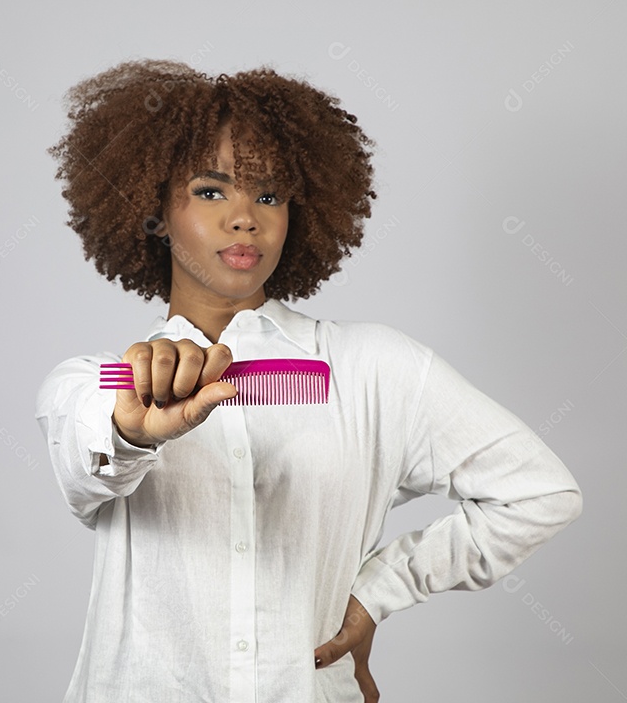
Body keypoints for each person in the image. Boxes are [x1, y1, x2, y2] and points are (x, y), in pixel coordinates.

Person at [35, 58, 583, 703]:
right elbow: (85, 468)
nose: (246, 219)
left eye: (268, 196)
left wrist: (378, 592)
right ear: (153, 209)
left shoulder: (377, 368)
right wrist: (132, 433)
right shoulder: (97, 384)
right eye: (211, 192)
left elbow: (539, 492)